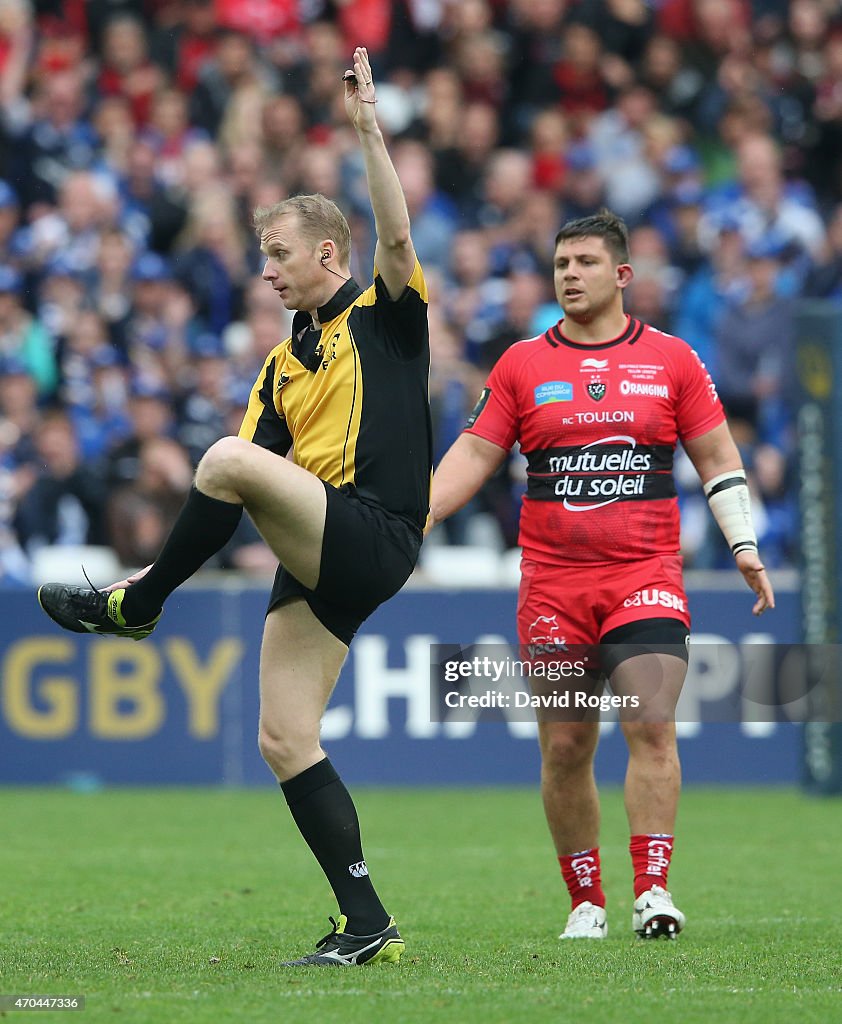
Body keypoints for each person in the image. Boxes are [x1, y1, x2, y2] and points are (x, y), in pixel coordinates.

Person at [37, 47, 431, 967]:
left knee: (221, 457)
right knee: (284, 737)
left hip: (374, 530)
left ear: (328, 253)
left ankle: (138, 609)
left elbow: (400, 240)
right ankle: (369, 924)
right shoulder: (279, 364)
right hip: (322, 543)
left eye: (280, 255)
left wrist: (368, 126)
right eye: (262, 258)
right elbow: (241, 480)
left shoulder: (385, 314)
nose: (268, 271)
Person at [428, 210, 774, 941]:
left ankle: (654, 891)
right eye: (561, 264)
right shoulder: (522, 363)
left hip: (644, 571)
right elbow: (473, 454)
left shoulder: (673, 360)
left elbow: (717, 458)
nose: (570, 275)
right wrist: (416, 519)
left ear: (623, 275)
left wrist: (742, 542)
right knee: (565, 745)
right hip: (553, 584)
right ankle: (586, 901)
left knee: (651, 724)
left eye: (585, 262)